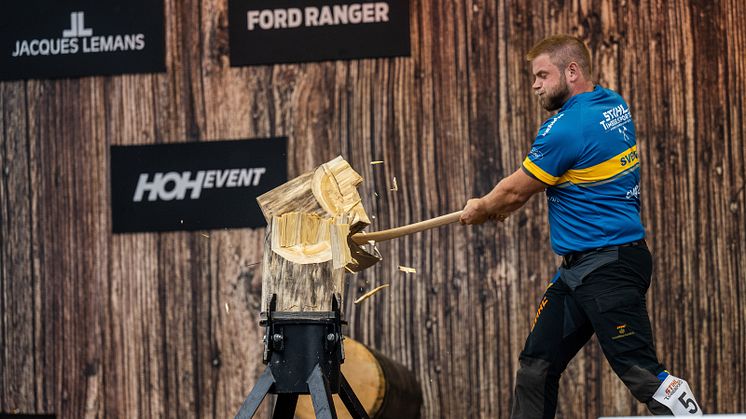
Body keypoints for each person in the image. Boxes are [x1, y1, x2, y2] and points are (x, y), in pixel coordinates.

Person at [459, 35, 702, 417]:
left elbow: (513, 193)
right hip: (578, 271)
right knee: (536, 368)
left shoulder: (565, 127)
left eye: (542, 75)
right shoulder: (612, 104)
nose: (535, 85)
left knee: (642, 374)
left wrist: (481, 208)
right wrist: (501, 205)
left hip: (608, 268)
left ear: (572, 71)